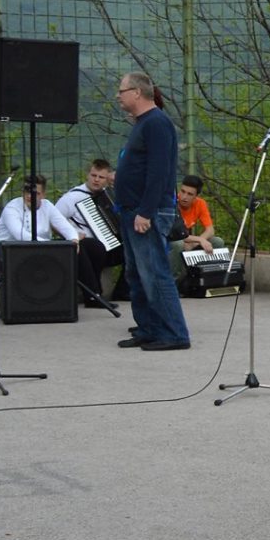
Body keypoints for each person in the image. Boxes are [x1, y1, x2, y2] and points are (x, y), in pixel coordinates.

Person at [112, 71, 191, 352]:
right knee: (136, 274)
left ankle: (174, 333)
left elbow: (159, 171)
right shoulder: (143, 123)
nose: (118, 96)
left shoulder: (156, 123)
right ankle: (149, 328)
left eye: (121, 91)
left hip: (147, 212)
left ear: (137, 92)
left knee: (155, 273)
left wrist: (145, 212)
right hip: (133, 210)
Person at [56, 160, 124, 300]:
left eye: (101, 177)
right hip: (85, 246)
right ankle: (94, 294)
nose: (96, 180)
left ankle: (122, 292)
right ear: (87, 175)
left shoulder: (109, 195)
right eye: (93, 175)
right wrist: (72, 234)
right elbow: (54, 221)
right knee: (94, 246)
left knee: (133, 251)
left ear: (107, 179)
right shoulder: (72, 197)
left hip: (107, 245)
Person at [0, 176, 80, 244]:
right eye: (27, 191)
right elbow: (20, 235)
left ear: (43, 195)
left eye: (35, 193)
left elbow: (64, 226)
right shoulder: (12, 207)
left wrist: (74, 238)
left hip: (40, 249)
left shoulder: (47, 206)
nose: (29, 196)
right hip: (8, 251)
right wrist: (49, 245)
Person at [174, 175, 219, 255]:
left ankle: (208, 263)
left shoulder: (200, 203)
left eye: (190, 194)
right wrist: (199, 240)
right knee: (179, 244)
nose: (184, 197)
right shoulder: (172, 202)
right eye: (183, 191)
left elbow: (210, 230)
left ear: (196, 196)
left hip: (188, 239)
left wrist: (196, 242)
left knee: (217, 241)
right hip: (173, 240)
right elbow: (175, 234)